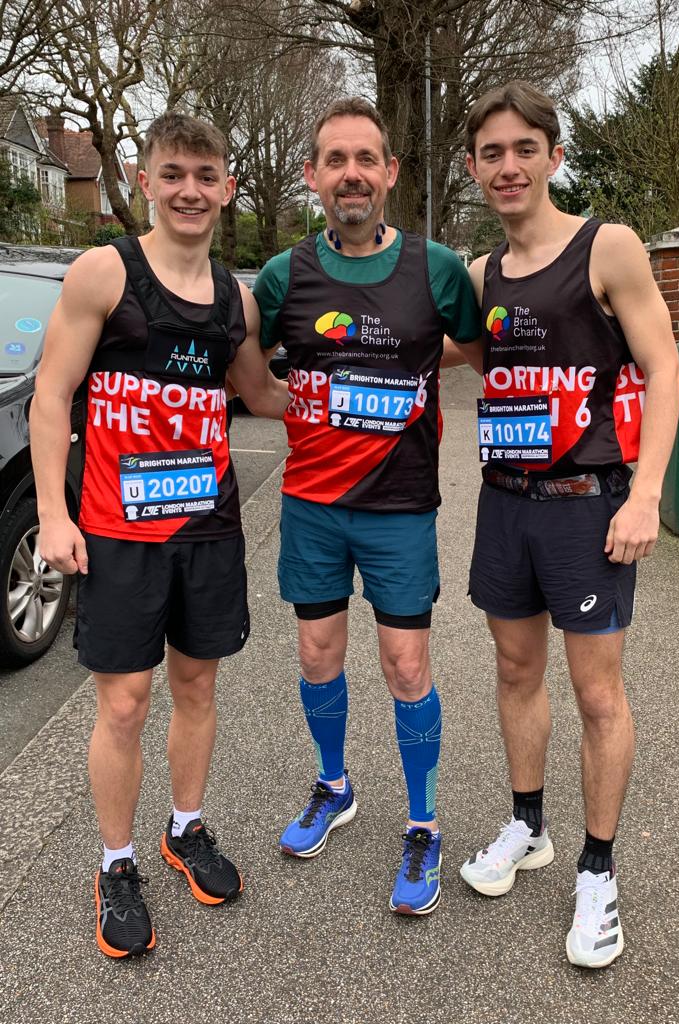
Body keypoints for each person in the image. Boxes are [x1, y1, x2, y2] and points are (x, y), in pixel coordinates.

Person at [30, 112, 288, 958]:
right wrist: (55, 517)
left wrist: (394, 363)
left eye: (206, 175)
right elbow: (50, 397)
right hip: (116, 532)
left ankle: (184, 829)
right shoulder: (104, 273)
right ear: (144, 181)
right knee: (125, 700)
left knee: (198, 687)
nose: (189, 190)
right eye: (173, 173)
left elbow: (262, 394)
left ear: (228, 188)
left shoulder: (236, 298)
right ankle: (116, 864)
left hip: (208, 529)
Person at [456, 81, 679, 966]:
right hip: (505, 503)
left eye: (523, 148)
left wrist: (646, 493)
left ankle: (597, 871)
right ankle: (529, 827)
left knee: (596, 694)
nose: (507, 166)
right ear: (474, 168)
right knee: (516, 671)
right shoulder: (480, 275)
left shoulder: (608, 247)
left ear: (553, 154)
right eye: (491, 153)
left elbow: (665, 369)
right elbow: (419, 341)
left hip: (589, 508)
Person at [253, 97, 481, 915]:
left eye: (366, 158)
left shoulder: (438, 268)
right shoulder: (284, 275)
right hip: (312, 505)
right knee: (317, 653)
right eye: (335, 160)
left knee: (405, 665)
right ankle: (334, 786)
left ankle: (423, 824)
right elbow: (245, 363)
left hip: (400, 505)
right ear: (313, 176)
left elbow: (481, 348)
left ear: (390, 172)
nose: (352, 173)